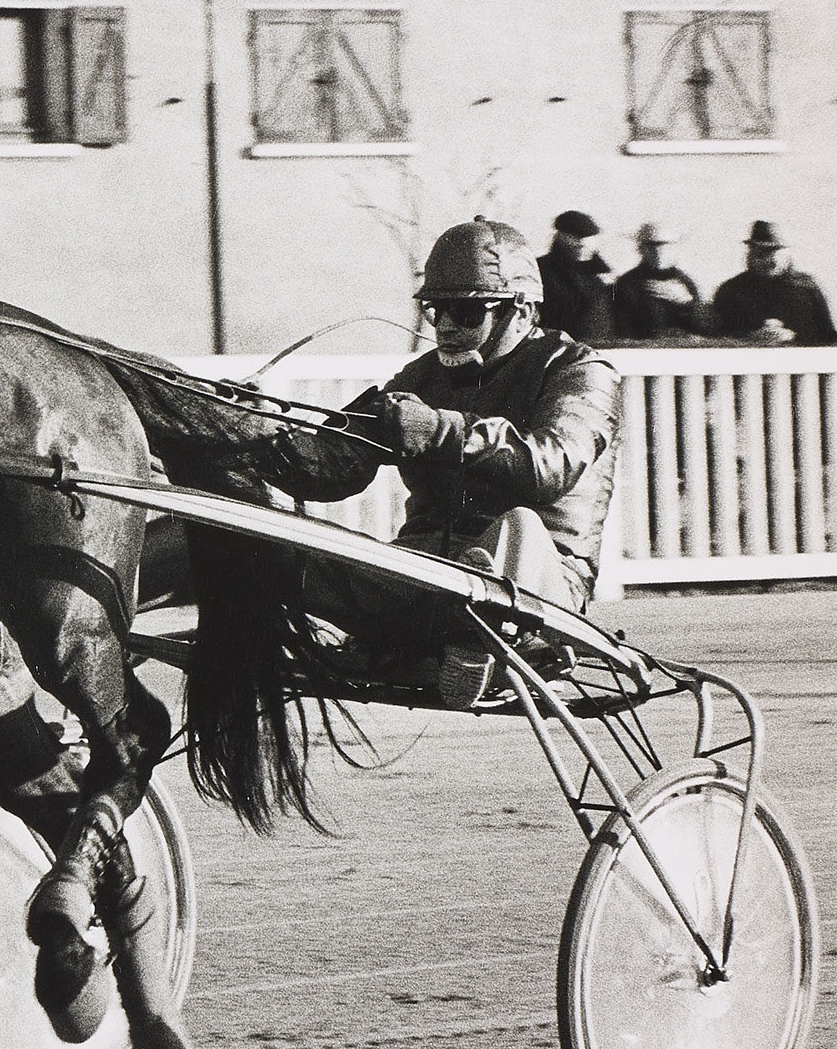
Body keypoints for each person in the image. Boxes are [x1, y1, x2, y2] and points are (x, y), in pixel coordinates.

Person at [258, 217, 623, 708]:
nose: (446, 326)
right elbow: (329, 469)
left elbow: (552, 466)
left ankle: (483, 635)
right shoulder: (420, 377)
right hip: (426, 576)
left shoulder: (578, 370)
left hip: (541, 585)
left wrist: (440, 431)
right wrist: (255, 435)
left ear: (521, 311)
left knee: (516, 527)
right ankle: (456, 629)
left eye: (466, 312)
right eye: (436, 310)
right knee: (265, 549)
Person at [711, 222, 837, 347]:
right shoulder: (731, 291)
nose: (766, 259)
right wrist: (749, 340)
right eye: (760, 253)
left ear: (786, 254)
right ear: (749, 254)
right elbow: (713, 339)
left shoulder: (807, 288)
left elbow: (828, 338)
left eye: (772, 251)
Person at [611, 223, 710, 341]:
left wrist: (686, 303)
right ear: (640, 249)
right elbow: (622, 331)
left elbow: (706, 330)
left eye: (664, 245)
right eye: (651, 246)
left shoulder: (686, 282)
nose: (658, 251)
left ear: (674, 248)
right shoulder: (627, 284)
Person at [536, 209, 618, 345]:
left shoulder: (606, 277)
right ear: (560, 237)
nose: (581, 243)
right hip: (556, 350)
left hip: (601, 350)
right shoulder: (541, 270)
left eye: (586, 238)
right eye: (575, 237)